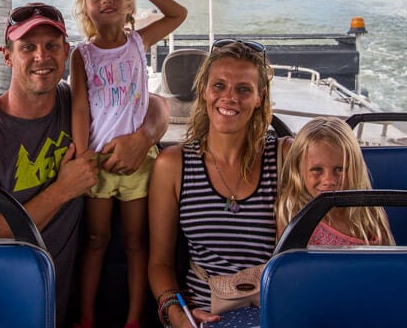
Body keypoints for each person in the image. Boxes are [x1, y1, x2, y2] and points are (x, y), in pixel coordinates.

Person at [0, 2, 169, 328]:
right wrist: (63, 190)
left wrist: (144, 137)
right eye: (27, 48)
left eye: (51, 46)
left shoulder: (76, 105)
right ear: (7, 56)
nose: (41, 56)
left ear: (66, 53)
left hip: (51, 303)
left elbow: (158, 104)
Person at [70, 0, 187, 328]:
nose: (107, 1)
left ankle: (135, 318)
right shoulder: (82, 55)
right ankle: (87, 316)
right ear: (85, 9)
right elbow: (78, 107)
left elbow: (177, 14)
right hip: (98, 162)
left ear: (128, 5)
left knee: (137, 242)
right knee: (95, 239)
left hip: (141, 165)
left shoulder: (138, 42)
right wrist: (80, 156)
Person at [148, 39, 280, 327]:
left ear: (259, 98)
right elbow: (160, 263)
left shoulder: (285, 156)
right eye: (218, 86)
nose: (229, 97)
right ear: (205, 91)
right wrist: (175, 313)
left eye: (244, 89)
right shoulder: (172, 165)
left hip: (277, 310)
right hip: (204, 316)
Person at [276, 116, 394, 246]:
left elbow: (389, 260)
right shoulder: (291, 213)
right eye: (317, 169)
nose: (329, 180)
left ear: (355, 169)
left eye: (339, 169)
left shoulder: (370, 212)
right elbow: (289, 263)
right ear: (299, 170)